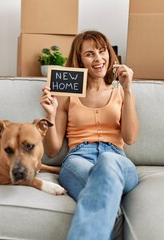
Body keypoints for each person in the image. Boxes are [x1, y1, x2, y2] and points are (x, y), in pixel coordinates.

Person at [40, 30, 139, 240]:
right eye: (90, 54)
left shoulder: (120, 92)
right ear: (80, 60)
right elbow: (52, 149)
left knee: (107, 160)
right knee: (103, 188)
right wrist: (50, 113)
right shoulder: (67, 95)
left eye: (102, 51)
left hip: (116, 158)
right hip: (78, 159)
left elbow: (129, 138)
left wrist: (128, 90)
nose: (98, 59)